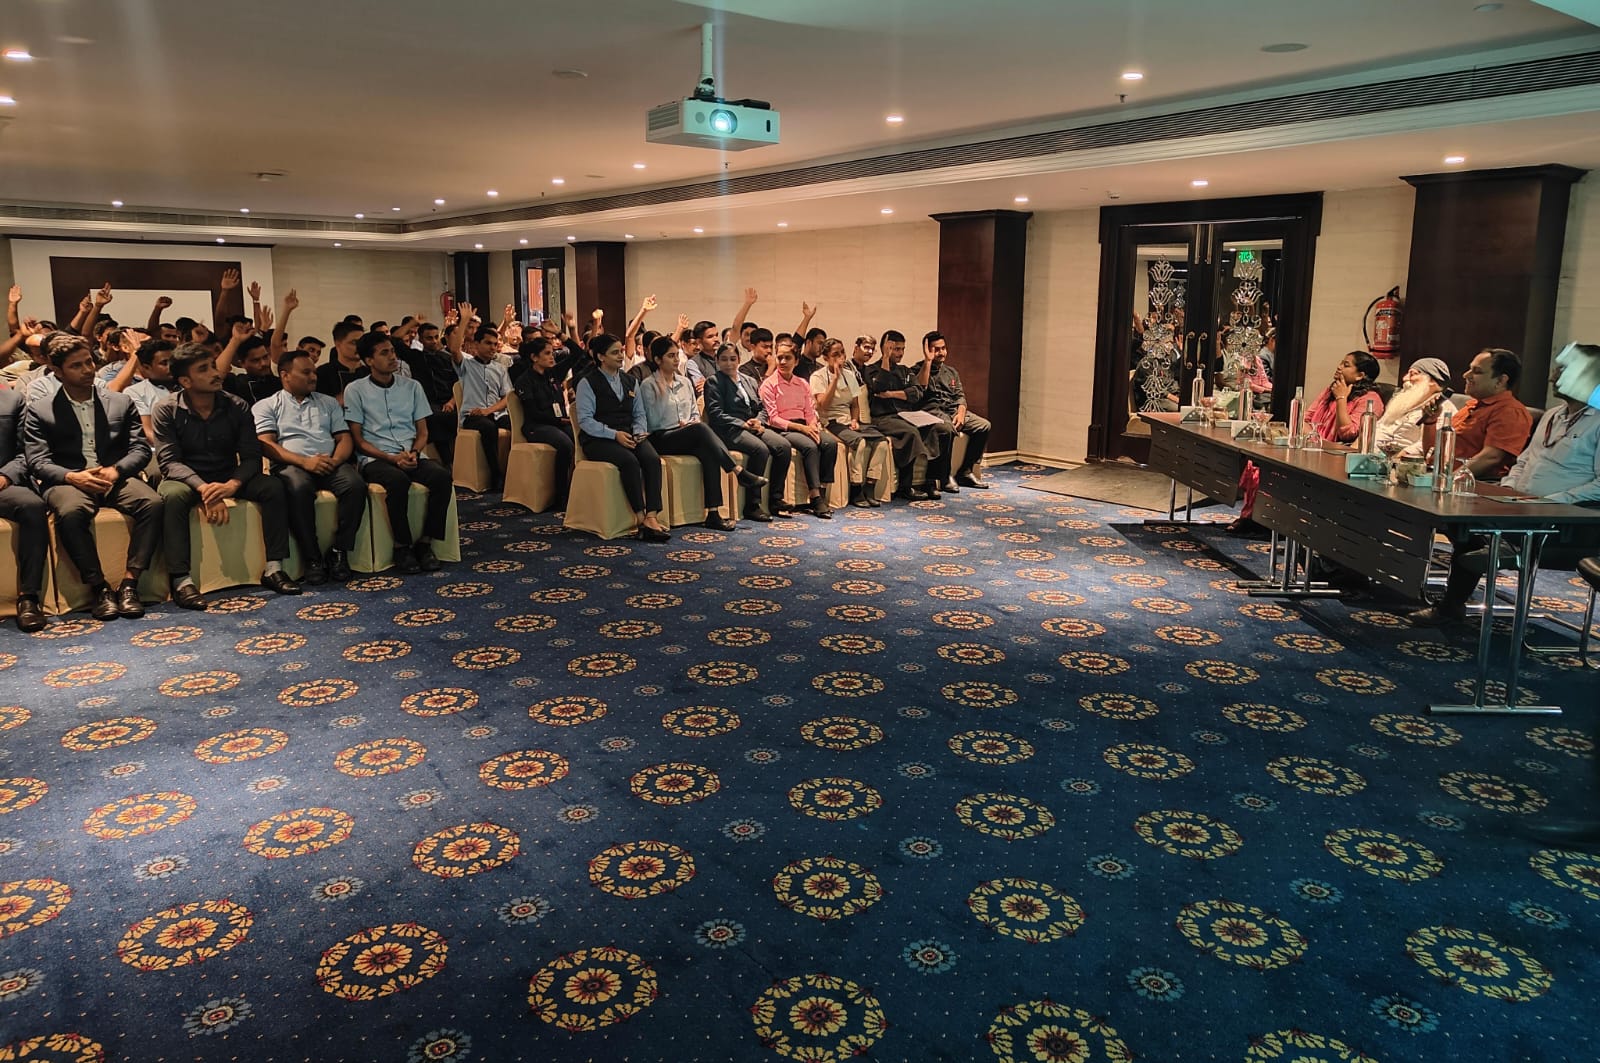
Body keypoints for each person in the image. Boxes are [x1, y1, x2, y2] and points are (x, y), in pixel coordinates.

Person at [1410, 351, 1600, 627]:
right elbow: (1524, 462)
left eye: (1562, 371)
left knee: (1464, 526)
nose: (1552, 377)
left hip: (1564, 522)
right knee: (1456, 519)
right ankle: (1450, 597)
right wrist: (1508, 492)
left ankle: (1451, 605)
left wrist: (1550, 501)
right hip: (1520, 506)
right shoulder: (1554, 415)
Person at [24, 333, 162, 621]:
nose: (88, 369)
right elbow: (37, 461)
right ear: (57, 371)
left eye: (89, 362)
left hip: (114, 475)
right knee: (71, 511)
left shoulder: (119, 402)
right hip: (69, 480)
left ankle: (129, 583)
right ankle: (99, 588)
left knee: (152, 502)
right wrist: (72, 477)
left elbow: (140, 448)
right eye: (77, 366)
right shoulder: (40, 409)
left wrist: (116, 470)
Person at [152, 344, 300, 608]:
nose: (215, 373)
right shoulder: (166, 409)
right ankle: (181, 580)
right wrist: (204, 489)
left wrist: (232, 484)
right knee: (172, 497)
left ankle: (274, 568)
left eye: (213, 365)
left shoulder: (236, 405)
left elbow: (252, 456)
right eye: (204, 369)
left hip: (228, 475)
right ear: (185, 381)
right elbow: (169, 462)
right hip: (186, 479)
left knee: (273, 486)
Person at [1229, 350, 1385, 534]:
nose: (1339, 367)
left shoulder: (1370, 399)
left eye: (1346, 365)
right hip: (1311, 446)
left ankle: (1269, 521)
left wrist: (1341, 398)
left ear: (1360, 375)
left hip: (1335, 457)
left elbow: (1347, 433)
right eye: (1341, 362)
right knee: (1259, 463)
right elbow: (1305, 418)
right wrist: (1312, 439)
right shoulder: (1330, 390)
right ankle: (1255, 517)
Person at [342, 332, 455, 574]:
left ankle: (426, 542)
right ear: (368, 361)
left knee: (442, 477)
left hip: (410, 453)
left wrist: (413, 452)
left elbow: (423, 432)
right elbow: (359, 440)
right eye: (384, 353)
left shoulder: (412, 386)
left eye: (392, 351)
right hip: (376, 457)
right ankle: (402, 546)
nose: (392, 357)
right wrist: (391, 458)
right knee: (397, 480)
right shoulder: (355, 390)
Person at [254, 350, 363, 584]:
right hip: (291, 465)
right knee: (298, 487)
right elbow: (266, 444)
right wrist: (304, 461)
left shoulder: (328, 402)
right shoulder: (267, 405)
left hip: (329, 462)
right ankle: (312, 558)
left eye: (314, 371)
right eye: (306, 372)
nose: (313, 376)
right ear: (285, 375)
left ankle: (339, 551)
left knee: (355, 484)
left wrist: (335, 460)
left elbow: (344, 438)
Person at [638, 336, 762, 530]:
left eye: (676, 355)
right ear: (658, 360)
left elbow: (695, 413)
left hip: (687, 432)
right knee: (701, 429)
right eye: (670, 356)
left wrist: (690, 422)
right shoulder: (649, 385)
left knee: (709, 451)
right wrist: (681, 424)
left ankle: (713, 513)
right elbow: (652, 421)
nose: (676, 360)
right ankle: (738, 471)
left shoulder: (684, 382)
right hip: (661, 437)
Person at [575, 333, 671, 542]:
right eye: (615, 353)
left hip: (628, 433)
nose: (621, 356)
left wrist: (638, 431)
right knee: (629, 461)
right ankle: (639, 517)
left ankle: (652, 516)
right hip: (598, 438)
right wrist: (613, 434)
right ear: (601, 357)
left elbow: (639, 413)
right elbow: (585, 420)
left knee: (652, 459)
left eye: (621, 351)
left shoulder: (630, 380)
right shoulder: (587, 383)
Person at [705, 343, 790, 522]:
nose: (729, 363)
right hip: (729, 429)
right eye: (724, 359)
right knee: (760, 449)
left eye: (733, 359)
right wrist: (742, 424)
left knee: (783, 446)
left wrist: (759, 420)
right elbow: (715, 414)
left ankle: (776, 499)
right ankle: (753, 505)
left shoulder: (749, 380)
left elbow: (762, 407)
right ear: (717, 361)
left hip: (752, 424)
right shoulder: (713, 382)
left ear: (739, 360)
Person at [761, 342, 837, 518]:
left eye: (787, 358)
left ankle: (822, 493)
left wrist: (812, 426)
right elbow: (773, 418)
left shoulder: (802, 383)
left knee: (830, 443)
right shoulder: (769, 384)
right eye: (779, 357)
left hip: (804, 425)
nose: (782, 362)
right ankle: (815, 497)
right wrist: (802, 428)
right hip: (784, 428)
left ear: (796, 361)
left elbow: (809, 411)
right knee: (810, 446)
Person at [811, 339, 887, 507]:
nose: (840, 357)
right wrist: (835, 379)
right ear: (825, 358)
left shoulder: (850, 375)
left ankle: (870, 485)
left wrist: (854, 419)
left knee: (882, 442)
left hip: (848, 420)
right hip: (830, 421)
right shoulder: (818, 376)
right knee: (859, 443)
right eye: (835, 354)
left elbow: (855, 405)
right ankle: (856, 488)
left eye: (842, 353)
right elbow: (822, 405)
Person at [868, 329, 942, 501]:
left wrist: (892, 394)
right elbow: (879, 387)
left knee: (934, 428)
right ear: (885, 349)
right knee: (911, 432)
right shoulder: (871, 370)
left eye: (902, 349)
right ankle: (906, 487)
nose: (900, 353)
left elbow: (917, 392)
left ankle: (929, 482)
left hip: (905, 415)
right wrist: (885, 360)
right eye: (896, 349)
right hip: (882, 418)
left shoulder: (904, 370)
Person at [447, 305, 513, 491]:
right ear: (476, 345)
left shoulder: (499, 369)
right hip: (472, 415)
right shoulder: (466, 365)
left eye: (495, 344)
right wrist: (464, 320)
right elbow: (454, 349)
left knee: (517, 425)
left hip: (495, 413)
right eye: (488, 343)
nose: (493, 347)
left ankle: (513, 473)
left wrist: (489, 410)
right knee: (488, 428)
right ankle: (496, 475)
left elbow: (507, 397)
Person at [0, 385, 49, 632]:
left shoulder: (12, 400)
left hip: (3, 484)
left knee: (32, 506)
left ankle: (28, 597)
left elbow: (25, 453)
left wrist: (4, 477)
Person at [918, 330, 991, 490]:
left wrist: (961, 413)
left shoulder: (951, 372)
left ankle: (965, 471)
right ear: (927, 350)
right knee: (947, 428)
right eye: (936, 349)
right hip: (932, 411)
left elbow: (960, 396)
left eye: (943, 348)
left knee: (983, 425)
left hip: (952, 410)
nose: (941, 353)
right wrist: (927, 362)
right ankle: (944, 477)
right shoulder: (918, 369)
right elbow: (920, 388)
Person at [508, 335, 575, 509]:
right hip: (536, 426)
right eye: (547, 353)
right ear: (534, 357)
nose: (552, 357)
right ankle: (560, 496)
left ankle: (576, 490)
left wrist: (562, 334)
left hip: (559, 422)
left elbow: (578, 354)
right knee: (566, 445)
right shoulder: (524, 380)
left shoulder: (553, 373)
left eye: (552, 352)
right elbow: (533, 413)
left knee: (581, 438)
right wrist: (559, 420)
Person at [1450, 348, 1532, 481]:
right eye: (1470, 369)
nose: (1466, 375)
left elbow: (1491, 457)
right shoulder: (1472, 405)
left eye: (1477, 371)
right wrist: (1430, 421)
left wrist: (1450, 480)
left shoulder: (1510, 411)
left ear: (1500, 381)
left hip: (1472, 484)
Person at [1373, 357, 1455, 458]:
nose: (1405, 378)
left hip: (1406, 462)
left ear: (1432, 381)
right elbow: (1380, 428)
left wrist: (1395, 459)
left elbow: (1432, 446)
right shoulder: (1403, 403)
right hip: (1376, 457)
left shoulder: (1442, 408)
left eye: (1413, 374)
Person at [403, 321, 459, 467]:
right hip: (427, 402)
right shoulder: (416, 357)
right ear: (421, 339)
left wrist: (451, 401)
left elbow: (459, 384)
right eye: (429, 338)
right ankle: (448, 462)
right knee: (435, 417)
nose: (434, 341)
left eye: (436, 337)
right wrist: (412, 323)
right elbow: (394, 340)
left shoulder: (447, 358)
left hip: (449, 400)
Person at [108, 337, 180, 448]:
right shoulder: (135, 392)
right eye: (164, 363)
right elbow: (148, 431)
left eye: (172, 362)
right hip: (161, 450)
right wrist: (175, 450)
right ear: (147, 367)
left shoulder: (187, 385)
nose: (170, 367)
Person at [316, 321, 368, 400]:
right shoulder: (322, 373)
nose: (359, 347)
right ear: (338, 343)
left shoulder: (370, 373)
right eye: (354, 342)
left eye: (362, 342)